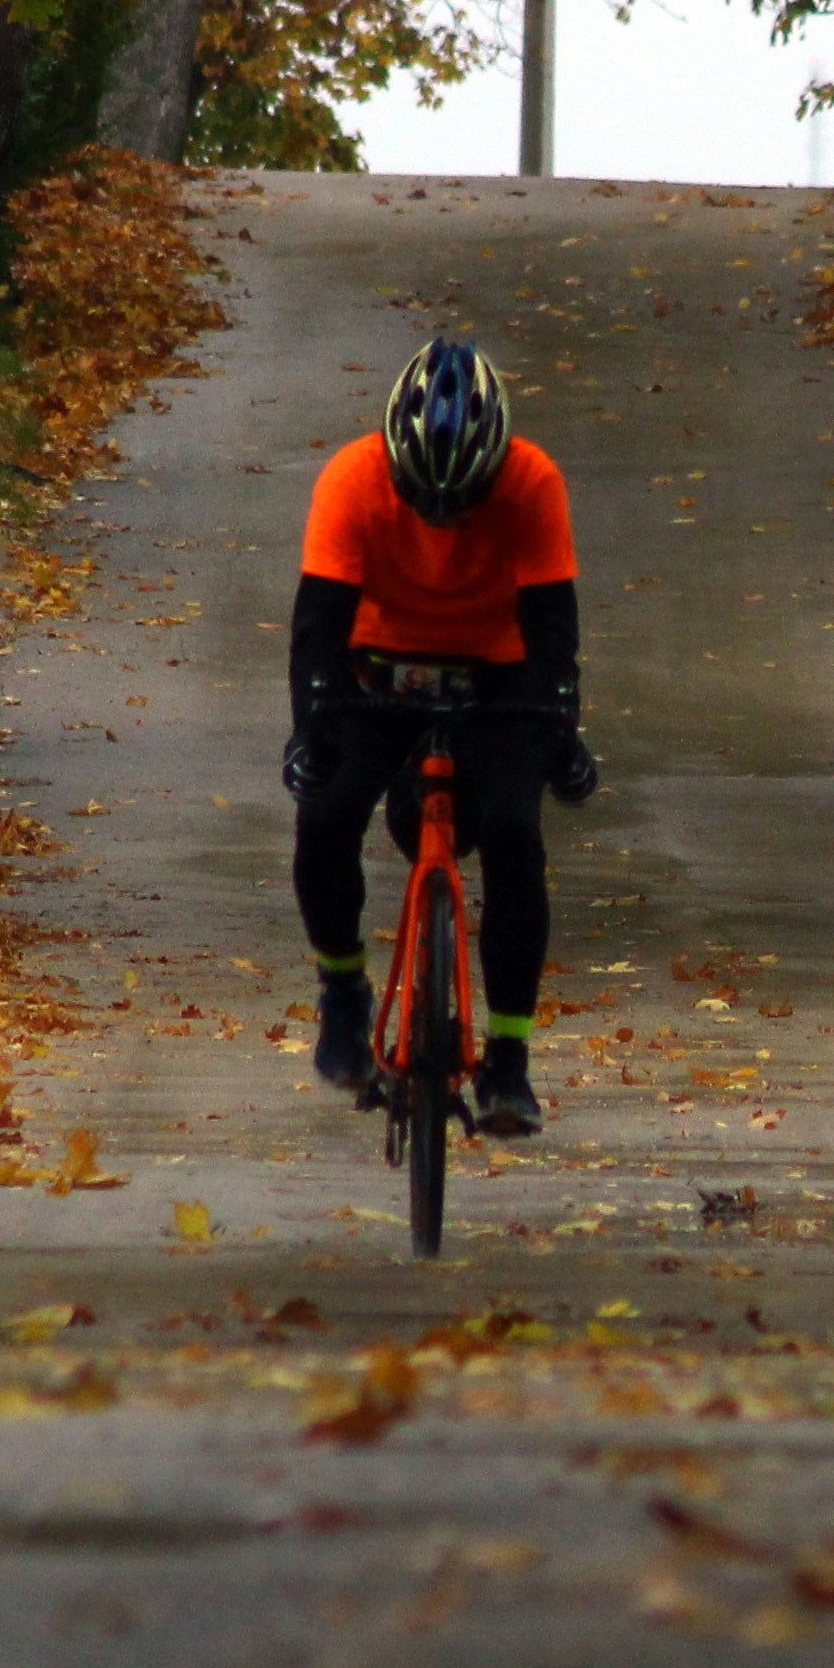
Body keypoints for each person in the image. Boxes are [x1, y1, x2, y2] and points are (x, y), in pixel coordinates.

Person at [287, 337, 601, 1133]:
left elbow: (553, 628)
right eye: (425, 502)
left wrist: (562, 729)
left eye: (460, 506)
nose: (442, 522)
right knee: (326, 813)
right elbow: (318, 627)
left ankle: (510, 1058)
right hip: (377, 670)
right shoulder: (352, 479)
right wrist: (309, 730)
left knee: (513, 834)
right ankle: (344, 990)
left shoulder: (533, 482)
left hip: (498, 674)